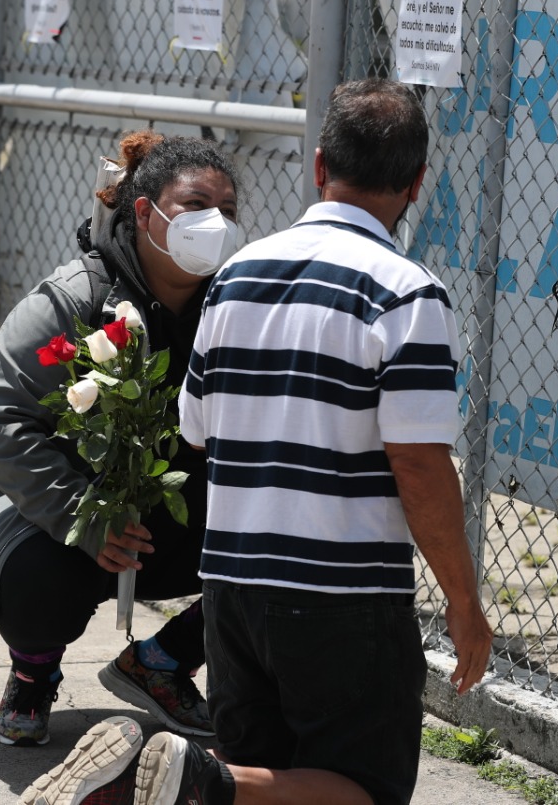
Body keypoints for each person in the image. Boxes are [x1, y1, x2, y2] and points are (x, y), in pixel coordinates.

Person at [174, 78, 492, 805]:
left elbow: (196, 429)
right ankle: (198, 780)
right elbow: (417, 462)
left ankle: (210, 779)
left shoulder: (234, 277)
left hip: (231, 585)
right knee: (364, 788)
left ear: (319, 166)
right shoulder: (407, 294)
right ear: (416, 183)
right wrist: (463, 600)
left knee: (275, 781)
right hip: (340, 594)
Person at [0, 131, 242, 748]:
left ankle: (162, 662)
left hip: (168, 506)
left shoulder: (236, 307)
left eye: (228, 210)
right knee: (35, 577)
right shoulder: (75, 298)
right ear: (145, 212)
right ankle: (32, 674)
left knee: (274, 538)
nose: (215, 224)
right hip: (58, 519)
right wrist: (80, 518)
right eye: (196, 206)